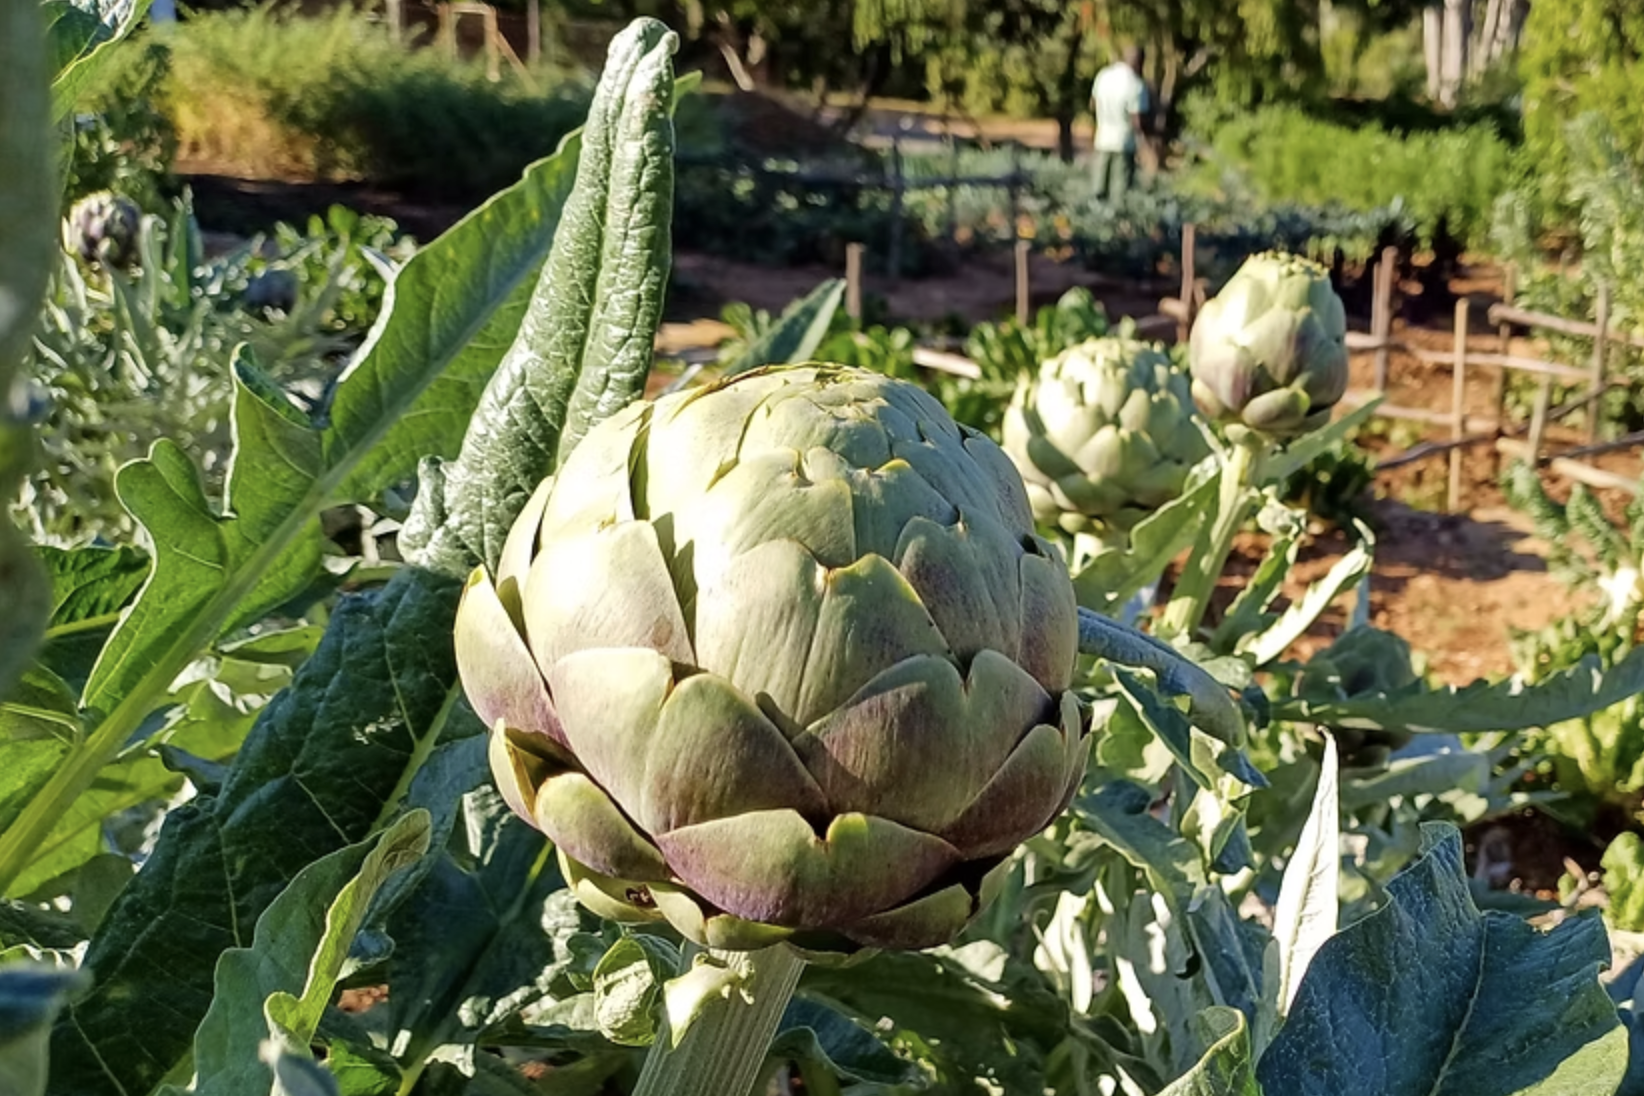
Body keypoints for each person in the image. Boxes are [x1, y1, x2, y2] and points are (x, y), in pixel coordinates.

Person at [1091, 45, 1149, 204]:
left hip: (1102, 139)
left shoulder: (1103, 76)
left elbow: (1093, 104)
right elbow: (1136, 120)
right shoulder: (1136, 85)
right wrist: (1144, 143)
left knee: (1099, 189)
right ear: (1139, 62)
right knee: (1120, 194)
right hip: (1124, 143)